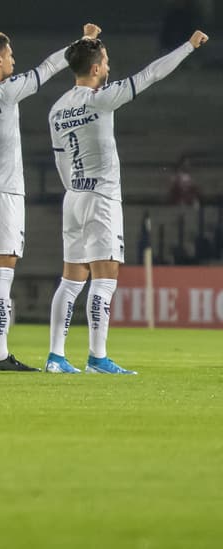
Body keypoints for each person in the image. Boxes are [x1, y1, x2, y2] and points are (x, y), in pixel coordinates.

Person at [45, 29, 209, 374]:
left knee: (71, 280)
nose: (109, 66)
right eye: (105, 62)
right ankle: (97, 358)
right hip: (101, 198)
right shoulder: (102, 98)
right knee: (105, 278)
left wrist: (75, 188)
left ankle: (56, 357)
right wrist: (188, 46)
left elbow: (60, 160)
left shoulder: (57, 109)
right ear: (94, 69)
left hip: (73, 196)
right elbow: (150, 74)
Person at [0, 25, 98, 372]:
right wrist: (81, 42)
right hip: (3, 191)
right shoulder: (4, 92)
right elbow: (47, 69)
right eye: (11, 54)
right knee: (2, 271)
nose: (15, 60)